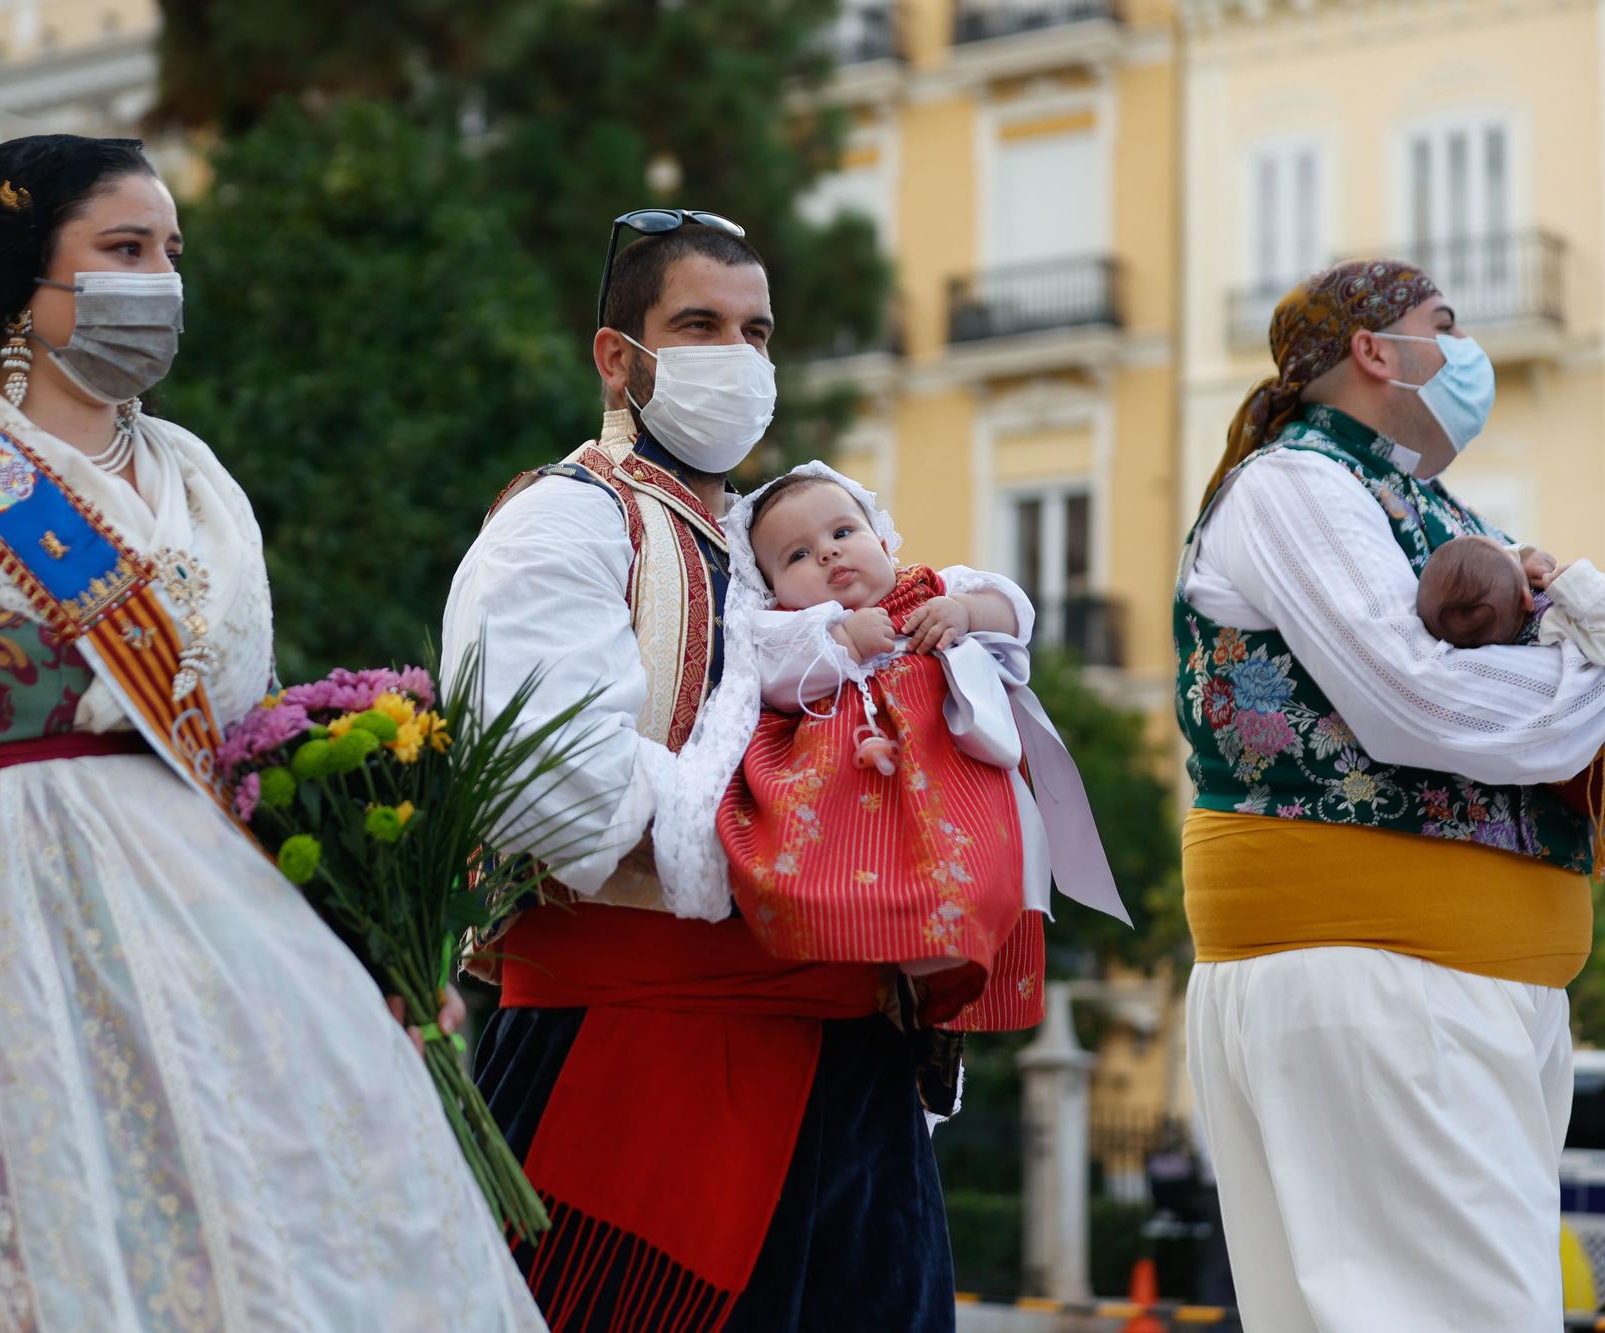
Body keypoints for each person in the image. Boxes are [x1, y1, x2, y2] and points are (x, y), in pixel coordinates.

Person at [0, 134, 540, 1332]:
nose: (159, 281)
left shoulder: (199, 481)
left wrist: (377, 939)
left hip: (220, 942)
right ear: (21, 277)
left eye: (171, 253)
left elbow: (250, 741)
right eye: (122, 250)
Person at [444, 211, 954, 1331]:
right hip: (636, 1056)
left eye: (756, 330)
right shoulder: (559, 525)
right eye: (699, 324)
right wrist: (792, 843)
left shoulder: (774, 548)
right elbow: (545, 780)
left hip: (847, 1068)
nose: (738, 355)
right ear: (616, 356)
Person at [1177, 257, 1605, 1331]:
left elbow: (1456, 697)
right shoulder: (1298, 482)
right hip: (1378, 980)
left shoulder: (1416, 500)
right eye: (1441, 325)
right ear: (1373, 351)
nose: (1464, 352)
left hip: (1444, 990)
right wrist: (1590, 681)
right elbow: (1415, 702)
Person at [701, 463, 1126, 1028]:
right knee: (829, 864)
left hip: (948, 778)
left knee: (974, 863)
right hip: (841, 786)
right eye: (797, 556)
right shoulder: (789, 624)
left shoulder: (930, 589)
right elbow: (769, 674)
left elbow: (1013, 608)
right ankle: (851, 940)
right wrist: (842, 644)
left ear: (881, 539)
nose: (827, 554)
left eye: (841, 533)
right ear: (771, 587)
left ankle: (941, 973)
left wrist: (966, 613)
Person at [1417, 533, 1605, 664]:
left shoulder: (1498, 631)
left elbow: (1488, 564)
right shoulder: (1551, 624)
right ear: (1527, 600)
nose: (1512, 553)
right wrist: (1577, 581)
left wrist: (1520, 560)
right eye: (1512, 557)